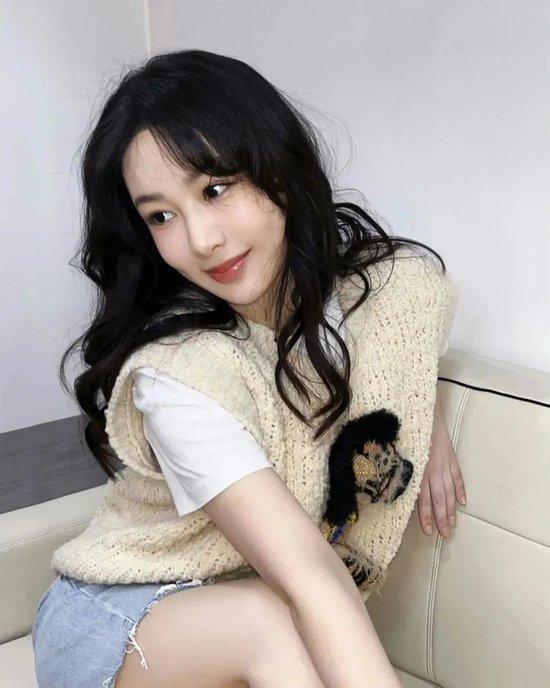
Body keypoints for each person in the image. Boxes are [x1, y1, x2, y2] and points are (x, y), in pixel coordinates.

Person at [31, 48, 462, 688]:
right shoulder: (181, 373)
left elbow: (400, 351)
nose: (202, 239)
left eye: (215, 189)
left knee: (276, 618)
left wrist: (428, 421)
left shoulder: (386, 292)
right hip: (120, 618)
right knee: (272, 619)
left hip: (252, 612)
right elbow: (309, 575)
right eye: (161, 216)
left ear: (276, 165)